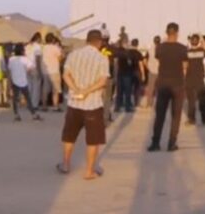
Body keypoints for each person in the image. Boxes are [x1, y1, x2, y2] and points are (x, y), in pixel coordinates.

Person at [58, 29, 110, 180]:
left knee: (69, 136)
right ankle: (89, 171)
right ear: (99, 42)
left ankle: (66, 164)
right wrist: (87, 91)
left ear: (87, 40)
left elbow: (66, 75)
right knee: (93, 139)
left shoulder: (74, 54)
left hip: (74, 103)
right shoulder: (102, 59)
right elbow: (102, 81)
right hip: (92, 105)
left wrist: (76, 89)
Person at [148, 22, 188, 152]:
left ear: (166, 32)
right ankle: (171, 143)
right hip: (178, 84)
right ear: (177, 33)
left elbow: (160, 60)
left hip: (163, 83)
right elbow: (185, 66)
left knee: (160, 115)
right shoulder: (183, 48)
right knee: (176, 115)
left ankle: (155, 143)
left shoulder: (159, 48)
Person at [8, 44, 43, 122]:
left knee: (15, 99)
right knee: (28, 99)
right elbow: (31, 67)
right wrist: (26, 71)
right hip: (23, 81)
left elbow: (9, 70)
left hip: (14, 81)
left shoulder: (11, 59)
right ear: (22, 51)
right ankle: (34, 114)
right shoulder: (25, 59)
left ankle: (16, 115)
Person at [185, 34, 205, 125]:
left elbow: (184, 66)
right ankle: (204, 118)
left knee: (191, 100)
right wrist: (202, 40)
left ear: (191, 41)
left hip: (189, 78)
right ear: (198, 42)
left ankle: (191, 119)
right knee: (202, 99)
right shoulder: (202, 51)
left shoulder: (187, 52)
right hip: (200, 78)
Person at [113, 37, 137, 113]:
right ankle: (127, 107)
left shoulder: (118, 51)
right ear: (125, 43)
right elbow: (130, 63)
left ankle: (117, 107)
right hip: (127, 74)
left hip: (120, 73)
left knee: (119, 91)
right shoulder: (127, 52)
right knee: (127, 91)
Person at [42, 33, 64, 112]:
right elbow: (60, 58)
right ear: (53, 40)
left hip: (45, 71)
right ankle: (55, 106)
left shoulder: (43, 48)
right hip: (54, 70)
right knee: (55, 90)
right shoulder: (55, 48)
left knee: (45, 89)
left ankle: (44, 105)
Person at [25, 32, 44, 110]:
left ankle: (29, 103)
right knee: (36, 87)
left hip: (27, 68)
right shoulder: (37, 47)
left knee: (30, 87)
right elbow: (37, 60)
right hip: (34, 68)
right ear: (38, 38)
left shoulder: (27, 46)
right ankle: (34, 105)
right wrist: (39, 71)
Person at [142, 36, 161, 109]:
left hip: (151, 71)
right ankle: (159, 104)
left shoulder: (150, 50)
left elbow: (144, 60)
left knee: (150, 88)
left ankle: (149, 104)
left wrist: (148, 68)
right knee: (160, 89)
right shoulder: (162, 49)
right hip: (160, 71)